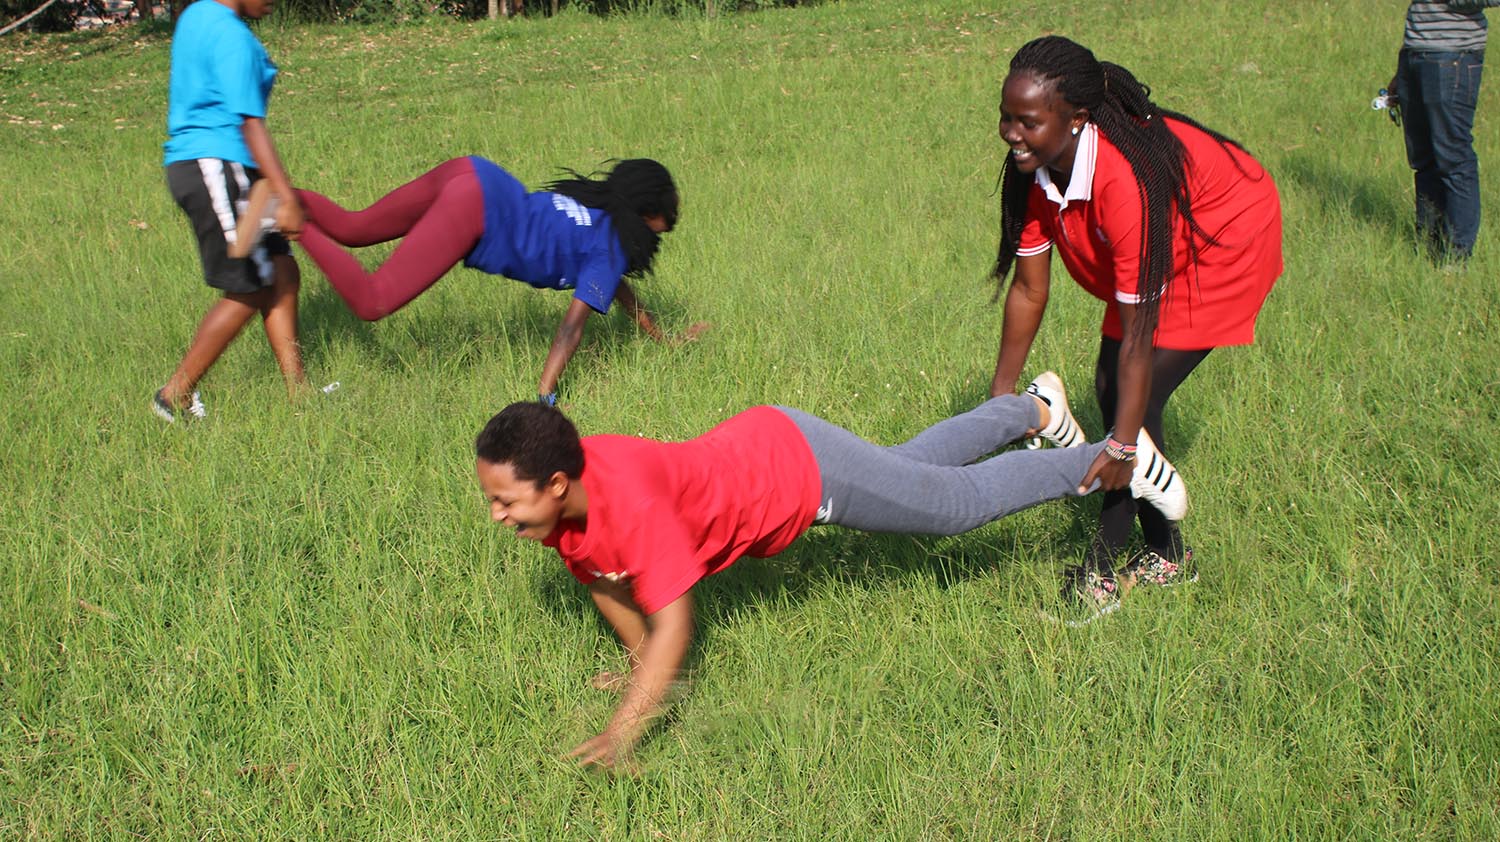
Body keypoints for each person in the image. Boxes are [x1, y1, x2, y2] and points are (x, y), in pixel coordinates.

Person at [473, 371, 1186, 768]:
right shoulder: (563, 508)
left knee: (951, 508)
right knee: (913, 468)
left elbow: (673, 625)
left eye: (506, 500)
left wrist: (625, 729)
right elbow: (604, 579)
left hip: (800, 474)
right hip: (769, 440)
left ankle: (1109, 461)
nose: (498, 514)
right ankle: (1032, 407)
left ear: (558, 482)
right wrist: (638, 676)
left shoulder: (634, 509)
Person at [986, 35, 1283, 607]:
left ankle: (1102, 569)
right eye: (1005, 116)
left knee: (1132, 404)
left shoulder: (1121, 182)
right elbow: (1028, 288)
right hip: (1171, 234)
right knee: (1110, 387)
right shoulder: (1035, 167)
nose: (1010, 134)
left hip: (1225, 235)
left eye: (1026, 120)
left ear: (1074, 120)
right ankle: (1169, 555)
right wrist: (1002, 394)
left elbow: (1139, 342)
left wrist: (1122, 448)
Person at [239, 157, 707, 405]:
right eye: (671, 212)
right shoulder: (609, 252)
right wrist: (545, 395)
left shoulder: (602, 218)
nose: (674, 221)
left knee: (354, 228)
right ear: (648, 216)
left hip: (475, 173)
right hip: (476, 211)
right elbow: (571, 329)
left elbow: (616, 288)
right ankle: (289, 216)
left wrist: (659, 338)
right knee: (372, 300)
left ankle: (279, 192)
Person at [154, 0, 309, 423]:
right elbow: (249, 124)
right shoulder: (231, 36)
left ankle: (300, 395)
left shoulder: (198, 16)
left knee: (281, 270)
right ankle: (175, 394)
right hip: (215, 168)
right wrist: (285, 194)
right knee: (249, 285)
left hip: (234, 170)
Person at [1392, 1, 1500, 263]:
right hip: (1416, 52)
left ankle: (1457, 258)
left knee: (1453, 158)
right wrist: (1402, 69)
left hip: (1452, 56)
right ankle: (1428, 249)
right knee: (1423, 160)